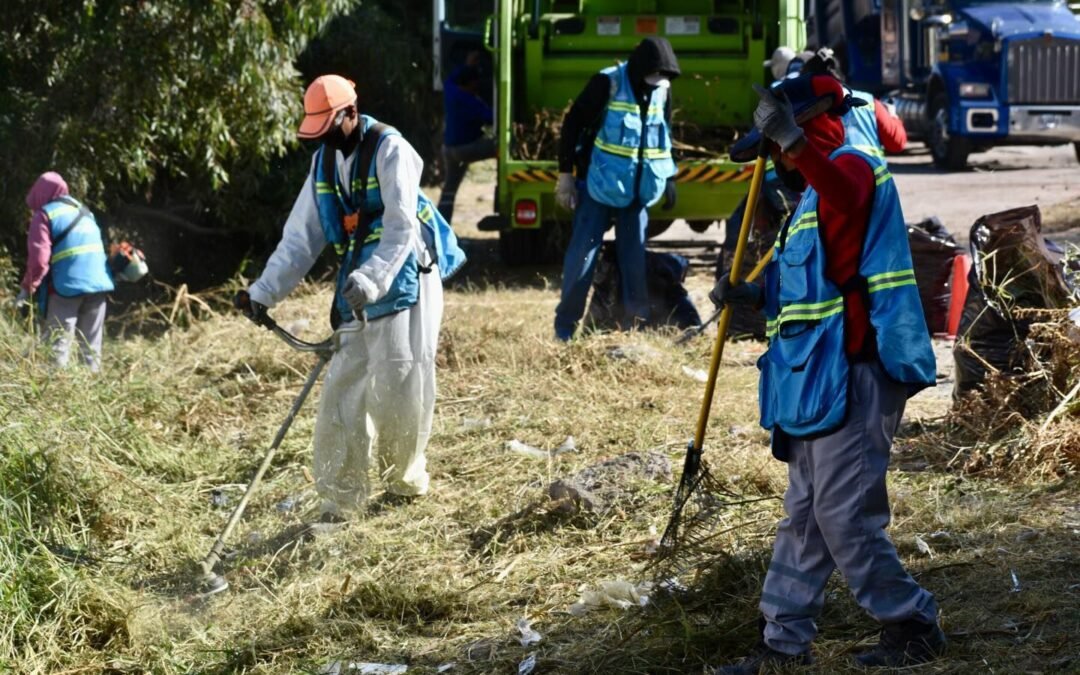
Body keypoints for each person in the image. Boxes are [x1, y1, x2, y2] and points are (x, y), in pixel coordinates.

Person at [708, 74, 944, 673]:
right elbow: (815, 284)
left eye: (778, 152)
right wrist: (755, 296)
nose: (775, 168)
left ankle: (912, 622)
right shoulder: (807, 200)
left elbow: (846, 196)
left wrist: (794, 146)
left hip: (861, 370)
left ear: (806, 128)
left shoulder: (853, 167)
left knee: (842, 517)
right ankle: (781, 645)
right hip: (816, 380)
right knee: (805, 518)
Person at [236, 75, 466, 520]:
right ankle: (341, 498)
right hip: (356, 285)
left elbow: (402, 228)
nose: (320, 137)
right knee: (343, 387)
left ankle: (404, 480)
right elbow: (300, 239)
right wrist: (261, 293)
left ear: (350, 113)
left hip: (405, 279)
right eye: (315, 129)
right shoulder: (323, 163)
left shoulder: (391, 149)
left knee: (401, 384)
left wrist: (373, 278)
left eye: (327, 126)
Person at [553, 37, 681, 341]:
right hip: (598, 187)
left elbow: (665, 133)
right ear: (639, 70)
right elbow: (572, 125)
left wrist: (670, 177)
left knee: (634, 260)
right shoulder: (606, 83)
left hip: (638, 192)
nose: (655, 85)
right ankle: (565, 330)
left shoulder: (662, 88)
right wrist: (565, 175)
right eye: (651, 79)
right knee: (582, 258)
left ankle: (633, 328)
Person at [16, 172, 114, 372]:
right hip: (99, 285)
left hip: (67, 288)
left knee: (57, 347)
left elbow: (39, 261)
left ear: (40, 193)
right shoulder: (85, 211)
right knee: (91, 351)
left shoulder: (44, 214)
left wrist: (27, 289)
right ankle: (91, 394)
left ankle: (53, 393)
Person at [437, 51, 495, 226]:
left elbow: (450, 79)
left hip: (448, 150)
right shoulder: (471, 102)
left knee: (449, 190)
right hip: (465, 149)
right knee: (501, 146)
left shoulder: (451, 90)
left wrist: (467, 65)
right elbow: (493, 118)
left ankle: (440, 225)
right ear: (470, 84)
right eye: (475, 85)